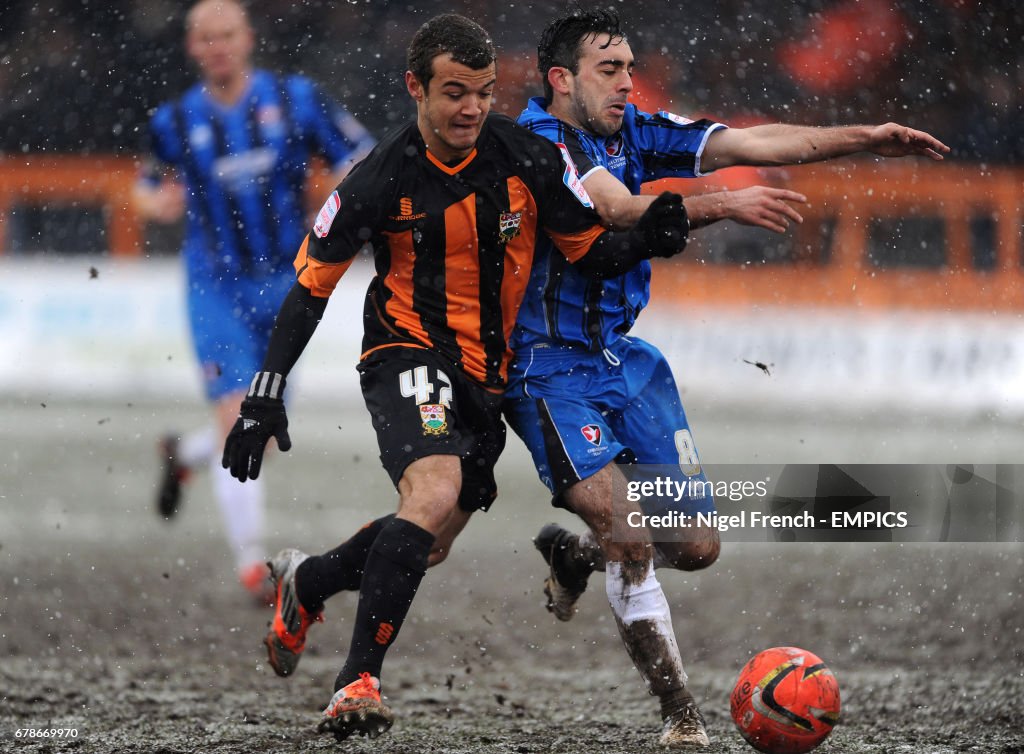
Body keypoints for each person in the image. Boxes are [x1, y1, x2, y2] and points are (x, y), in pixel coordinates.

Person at [221, 13, 693, 741]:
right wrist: (264, 394)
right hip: (405, 355)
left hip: (489, 379)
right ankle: (356, 682)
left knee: (430, 538)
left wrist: (652, 236)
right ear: (416, 88)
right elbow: (309, 290)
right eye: (453, 93)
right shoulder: (378, 180)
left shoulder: (526, 156)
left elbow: (588, 251)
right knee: (435, 491)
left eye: (481, 91)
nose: (470, 108)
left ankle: (307, 582)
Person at [500, 8, 950, 748]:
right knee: (632, 530)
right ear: (561, 79)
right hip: (547, 369)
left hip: (626, 362)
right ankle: (684, 719)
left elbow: (757, 139)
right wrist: (727, 202)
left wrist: (863, 138)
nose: (625, 83)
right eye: (608, 71)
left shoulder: (638, 128)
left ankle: (574, 555)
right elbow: (616, 210)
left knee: (698, 548)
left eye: (629, 68)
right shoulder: (538, 141)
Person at [132, 0, 375, 602]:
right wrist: (151, 203)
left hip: (287, 280)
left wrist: (350, 188)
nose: (217, 46)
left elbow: (360, 152)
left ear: (247, 39)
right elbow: (141, 184)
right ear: (193, 48)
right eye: (206, 38)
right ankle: (251, 566)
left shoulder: (295, 99)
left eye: (227, 35)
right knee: (236, 415)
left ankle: (184, 454)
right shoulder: (174, 120)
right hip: (214, 285)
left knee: (260, 429)